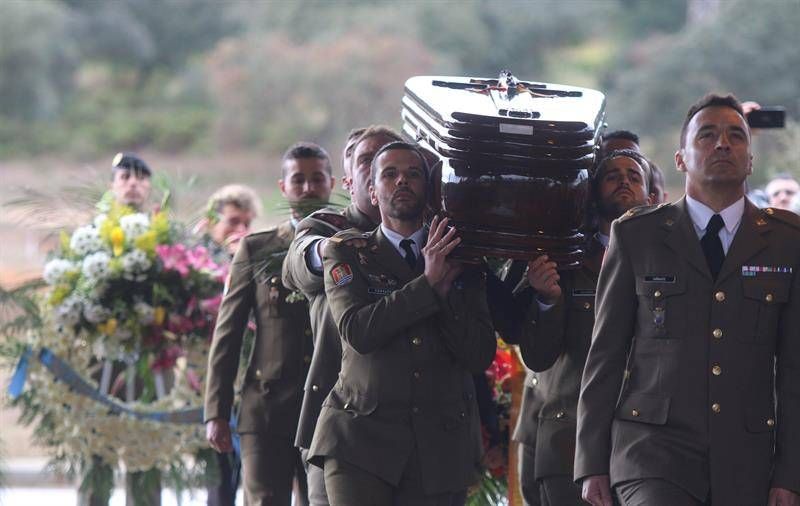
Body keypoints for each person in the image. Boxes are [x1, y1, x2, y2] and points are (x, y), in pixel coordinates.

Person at [576, 94, 800, 506]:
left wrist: (790, 474)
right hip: (652, 453)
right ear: (680, 159)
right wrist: (591, 462)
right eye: (708, 135)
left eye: (736, 136)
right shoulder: (636, 236)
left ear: (750, 160)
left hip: (746, 459)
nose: (722, 144)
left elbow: (793, 370)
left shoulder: (787, 241)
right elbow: (605, 354)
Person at [308, 141, 496, 505]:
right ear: (373, 192)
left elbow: (478, 354)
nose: (401, 182)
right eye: (389, 174)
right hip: (361, 444)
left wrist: (443, 294)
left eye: (413, 174)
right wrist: (427, 285)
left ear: (429, 190)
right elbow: (358, 331)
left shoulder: (463, 257)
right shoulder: (347, 251)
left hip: (439, 450)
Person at [512, 149, 652, 506]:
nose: (624, 180)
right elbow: (539, 356)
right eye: (613, 175)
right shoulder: (564, 260)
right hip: (568, 442)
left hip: (649, 445)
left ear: (651, 198)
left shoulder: (671, 262)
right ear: (591, 194)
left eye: (635, 176)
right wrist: (546, 300)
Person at [204, 142, 335, 506]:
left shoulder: (352, 246)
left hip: (330, 411)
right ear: (283, 188)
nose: (308, 188)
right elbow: (227, 334)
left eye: (316, 179)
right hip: (266, 412)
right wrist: (215, 411)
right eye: (298, 180)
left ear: (332, 183)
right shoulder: (256, 250)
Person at [282, 125, 403, 506]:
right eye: (368, 159)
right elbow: (298, 266)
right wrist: (333, 251)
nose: (380, 167)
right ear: (350, 181)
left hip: (409, 426)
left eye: (391, 159)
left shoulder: (421, 235)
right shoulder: (326, 229)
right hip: (336, 427)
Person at [199, 184, 262, 260]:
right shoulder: (189, 255)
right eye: (233, 222)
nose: (241, 230)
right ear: (210, 221)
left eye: (247, 224)